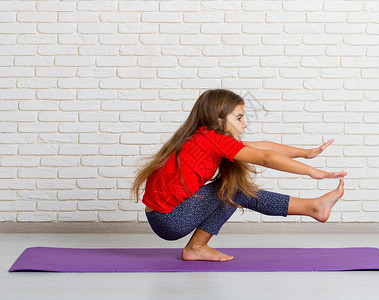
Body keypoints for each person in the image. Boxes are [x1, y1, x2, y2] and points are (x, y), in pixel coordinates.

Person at [131, 89, 347, 262]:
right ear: (218, 119)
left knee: (230, 189)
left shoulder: (204, 137)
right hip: (170, 219)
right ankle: (313, 207)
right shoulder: (212, 139)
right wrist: (313, 172)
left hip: (163, 217)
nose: (244, 124)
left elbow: (263, 146)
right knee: (233, 190)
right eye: (239, 118)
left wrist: (305, 153)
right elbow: (265, 157)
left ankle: (196, 248)